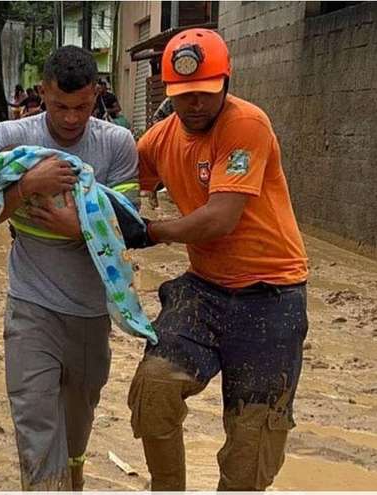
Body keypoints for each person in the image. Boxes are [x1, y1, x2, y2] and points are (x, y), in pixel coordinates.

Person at [124, 28, 309, 491]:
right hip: (205, 288)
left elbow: (219, 219)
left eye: (206, 93)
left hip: (271, 295)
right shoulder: (158, 141)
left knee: (252, 447)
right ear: (169, 92)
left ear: (226, 82)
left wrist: (150, 232)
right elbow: (119, 187)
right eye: (185, 95)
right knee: (154, 388)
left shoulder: (247, 125)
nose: (196, 105)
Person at [0, 45, 140, 491]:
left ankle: (73, 476)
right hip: (31, 306)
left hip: (91, 314)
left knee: (78, 421)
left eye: (82, 107)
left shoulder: (115, 143)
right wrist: (28, 185)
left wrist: (81, 228)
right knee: (36, 425)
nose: (71, 118)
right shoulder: (11, 138)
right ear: (42, 93)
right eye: (60, 106)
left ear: (97, 96)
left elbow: (131, 225)